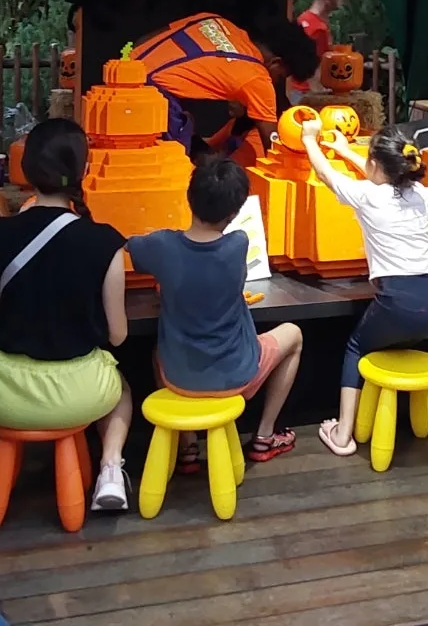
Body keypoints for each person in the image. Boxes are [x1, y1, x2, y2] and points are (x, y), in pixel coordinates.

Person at [0, 120, 132, 515]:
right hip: (80, 395)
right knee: (122, 390)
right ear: (84, 170)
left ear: (24, 170)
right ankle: (110, 469)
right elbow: (118, 336)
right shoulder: (105, 241)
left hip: (4, 396)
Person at [127, 154, 303, 466]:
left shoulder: (161, 245)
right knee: (294, 334)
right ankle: (264, 435)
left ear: (189, 197)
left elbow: (130, 246)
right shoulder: (238, 243)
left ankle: (187, 445)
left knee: (158, 352)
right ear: (234, 213)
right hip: (238, 372)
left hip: (178, 376)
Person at [301, 120, 428, 457]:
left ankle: (343, 433)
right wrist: (346, 151)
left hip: (401, 300)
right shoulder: (417, 192)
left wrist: (309, 139)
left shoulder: (368, 196)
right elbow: (382, 177)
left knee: (356, 346)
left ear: (374, 163)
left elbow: (325, 174)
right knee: (405, 346)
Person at [132, 12, 317, 156]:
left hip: (125, 75)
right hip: (150, 102)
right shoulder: (257, 78)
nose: (276, 82)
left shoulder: (212, 20)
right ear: (276, 63)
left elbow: (143, 41)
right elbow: (273, 147)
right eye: (281, 76)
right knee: (177, 159)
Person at [290, 0, 346, 101]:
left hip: (300, 93)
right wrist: (319, 98)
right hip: (306, 95)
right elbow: (314, 69)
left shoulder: (305, 20)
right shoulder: (316, 28)